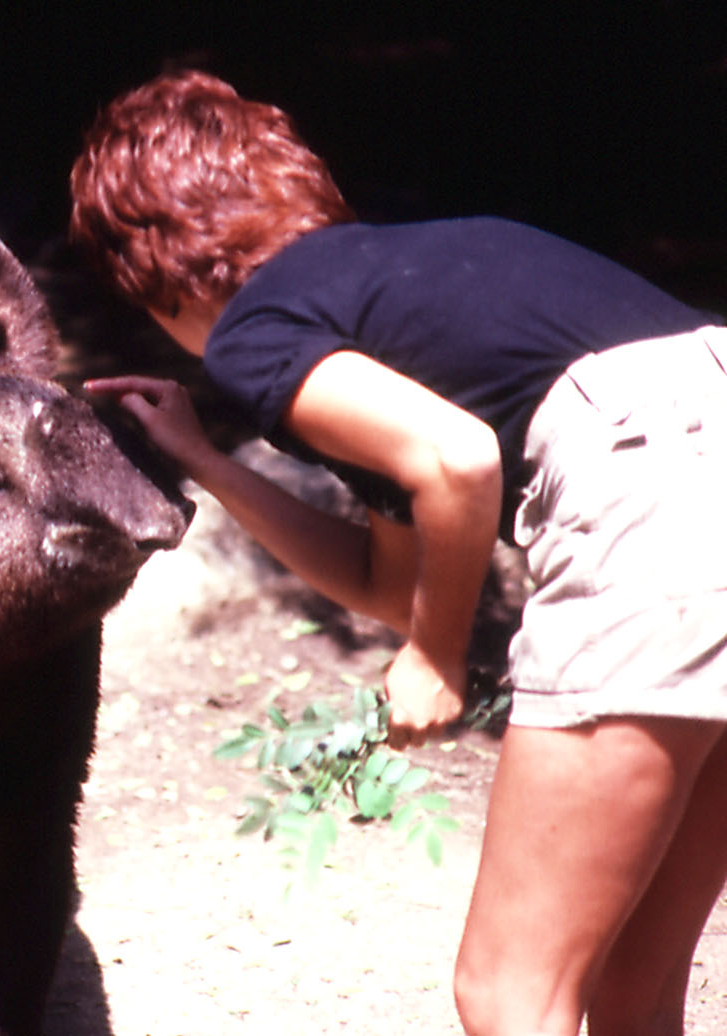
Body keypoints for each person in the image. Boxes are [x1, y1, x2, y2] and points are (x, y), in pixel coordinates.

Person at [71, 67, 727, 1036]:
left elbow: (455, 460)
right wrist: (206, 460)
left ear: (149, 267)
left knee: (511, 995)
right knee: (635, 995)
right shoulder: (405, 292)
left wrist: (435, 657)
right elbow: (386, 582)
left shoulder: (258, 332)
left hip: (653, 499)